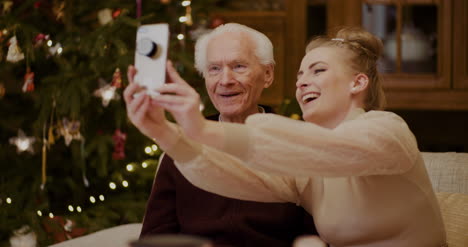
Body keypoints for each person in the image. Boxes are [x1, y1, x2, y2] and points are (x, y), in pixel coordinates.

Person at [139, 26, 447, 246]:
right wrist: (167, 134)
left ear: (358, 83)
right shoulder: (308, 169)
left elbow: (340, 151)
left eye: (317, 71)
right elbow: (235, 177)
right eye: (300, 75)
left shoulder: (388, 130)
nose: (302, 83)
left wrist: (202, 129)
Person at [125, 23, 316, 246]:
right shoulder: (181, 145)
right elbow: (154, 238)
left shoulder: (296, 143)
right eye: (214, 69)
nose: (225, 80)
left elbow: (316, 236)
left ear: (267, 74)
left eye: (238, 66)